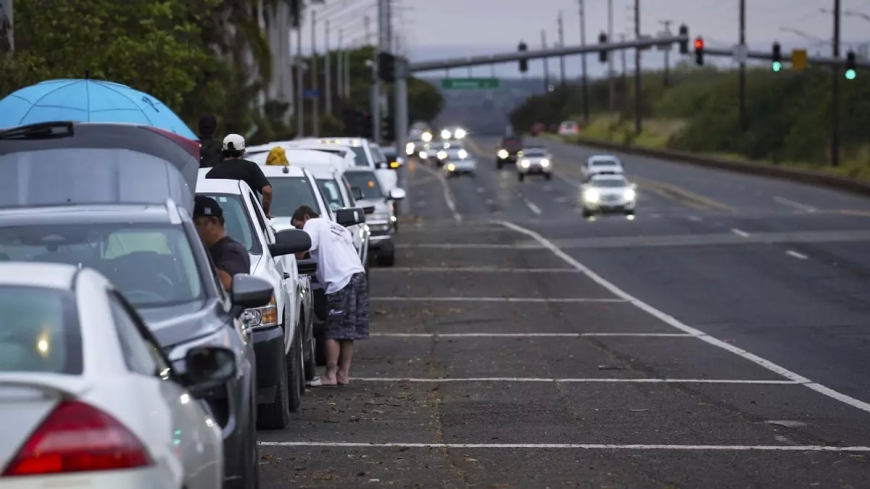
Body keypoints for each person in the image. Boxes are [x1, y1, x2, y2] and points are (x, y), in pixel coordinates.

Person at [291, 205, 368, 387]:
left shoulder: (313, 224)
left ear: (306, 217)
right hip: (358, 275)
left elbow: (302, 250)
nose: (299, 232)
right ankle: (343, 374)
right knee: (348, 331)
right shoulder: (337, 227)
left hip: (340, 281)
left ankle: (330, 375)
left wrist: (288, 261)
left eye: (298, 227)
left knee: (332, 330)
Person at [206, 134, 274, 218]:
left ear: (223, 151)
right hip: (250, 219)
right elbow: (267, 191)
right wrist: (264, 212)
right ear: (242, 151)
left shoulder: (212, 173)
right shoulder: (251, 167)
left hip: (221, 219)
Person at [193, 195, 250, 291]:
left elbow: (225, 283)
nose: (193, 230)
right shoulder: (205, 250)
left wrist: (190, 262)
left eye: (196, 224)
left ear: (214, 222)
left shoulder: (232, 251)